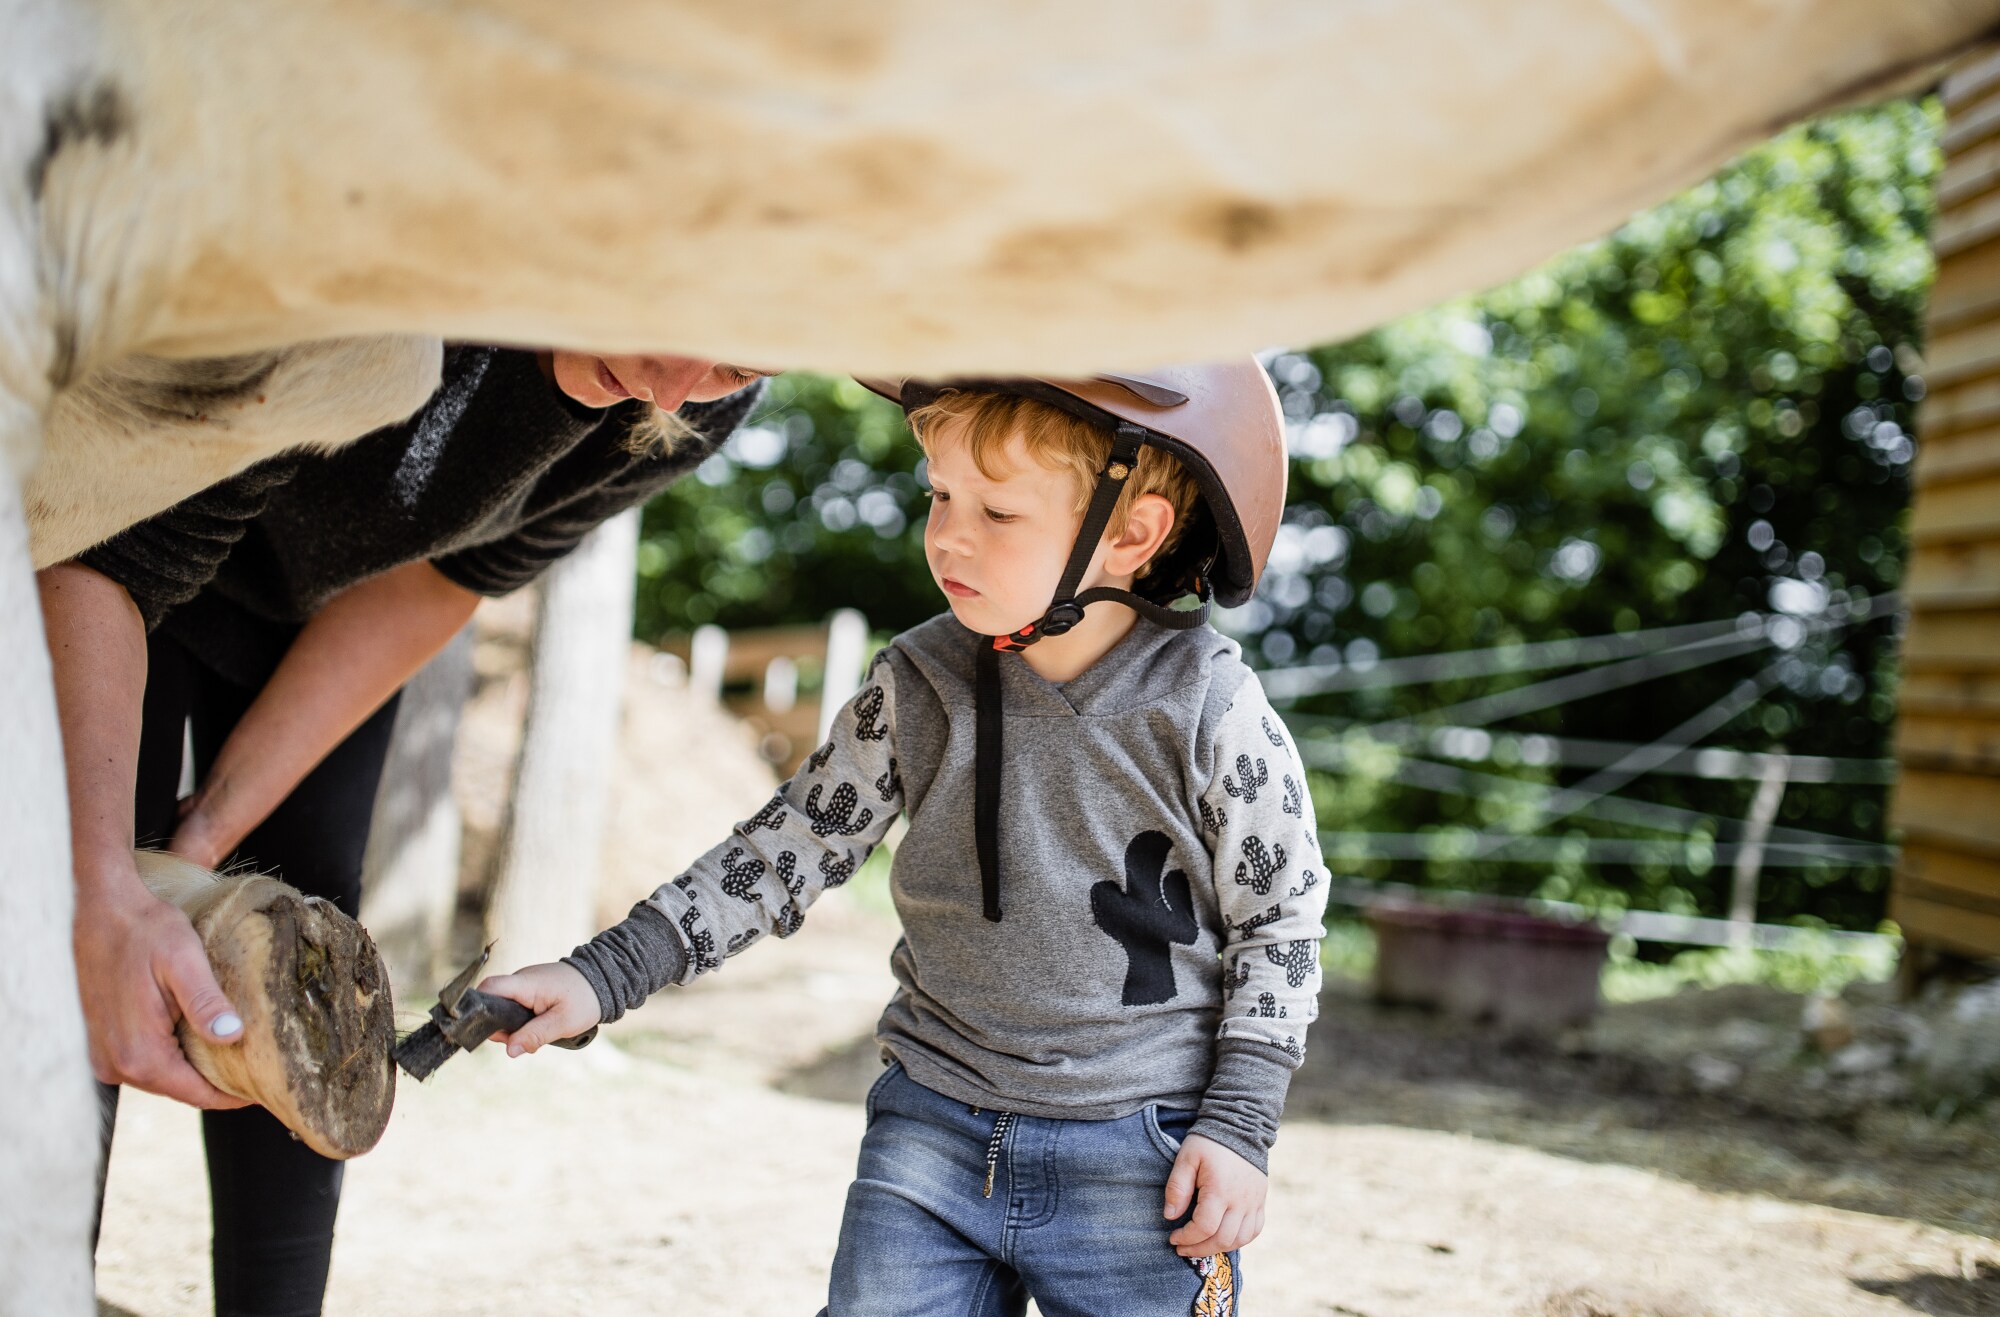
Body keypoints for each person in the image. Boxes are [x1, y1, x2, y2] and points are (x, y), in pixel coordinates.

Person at [485, 362, 1327, 1317]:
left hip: (1143, 1158)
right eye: (940, 494)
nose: (948, 535)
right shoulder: (918, 686)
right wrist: (604, 973)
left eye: (998, 513)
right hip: (931, 1129)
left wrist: (1241, 1121)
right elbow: (785, 851)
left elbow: (1283, 924)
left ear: (1131, 535)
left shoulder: (1212, 709)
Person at [40, 346, 768, 1317]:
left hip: (330, 604)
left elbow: (444, 575)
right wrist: (99, 878)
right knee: (69, 941)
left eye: (728, 368)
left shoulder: (694, 408)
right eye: (677, 332)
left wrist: (209, 832)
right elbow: (108, 551)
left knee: (313, 953)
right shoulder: (388, 307)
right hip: (118, 546)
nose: (674, 392)